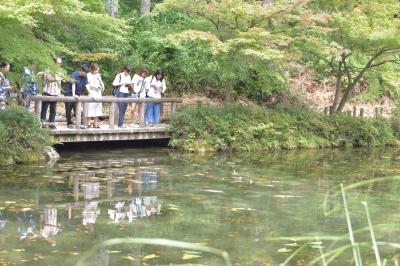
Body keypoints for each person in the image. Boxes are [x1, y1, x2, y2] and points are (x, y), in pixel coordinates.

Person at [38, 56, 63, 129]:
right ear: (54, 62)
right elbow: (50, 79)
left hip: (55, 92)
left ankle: (51, 123)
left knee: (53, 109)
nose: (59, 65)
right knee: (44, 108)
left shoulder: (60, 71)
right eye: (58, 63)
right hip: (47, 91)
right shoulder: (48, 70)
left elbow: (61, 80)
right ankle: (43, 123)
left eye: (60, 63)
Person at [85, 64, 104, 128]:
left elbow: (100, 82)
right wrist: (90, 93)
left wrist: (102, 87)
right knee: (90, 107)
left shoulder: (98, 75)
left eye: (98, 70)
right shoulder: (88, 75)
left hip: (98, 92)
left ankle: (95, 123)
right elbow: (87, 85)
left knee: (97, 108)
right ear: (92, 69)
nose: (97, 71)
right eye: (96, 70)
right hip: (91, 91)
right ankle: (88, 123)